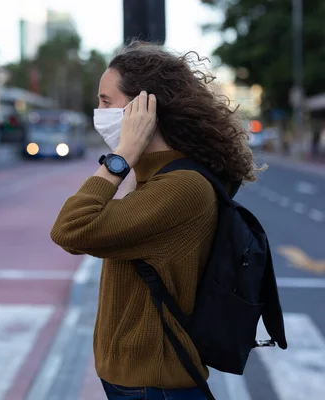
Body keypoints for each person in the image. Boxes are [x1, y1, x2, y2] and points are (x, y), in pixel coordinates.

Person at [50, 42, 260, 400]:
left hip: (155, 388)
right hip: (141, 385)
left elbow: (70, 229)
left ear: (144, 108)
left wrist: (123, 154)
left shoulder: (181, 187)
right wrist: (133, 162)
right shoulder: (156, 176)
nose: (98, 112)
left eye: (105, 101)